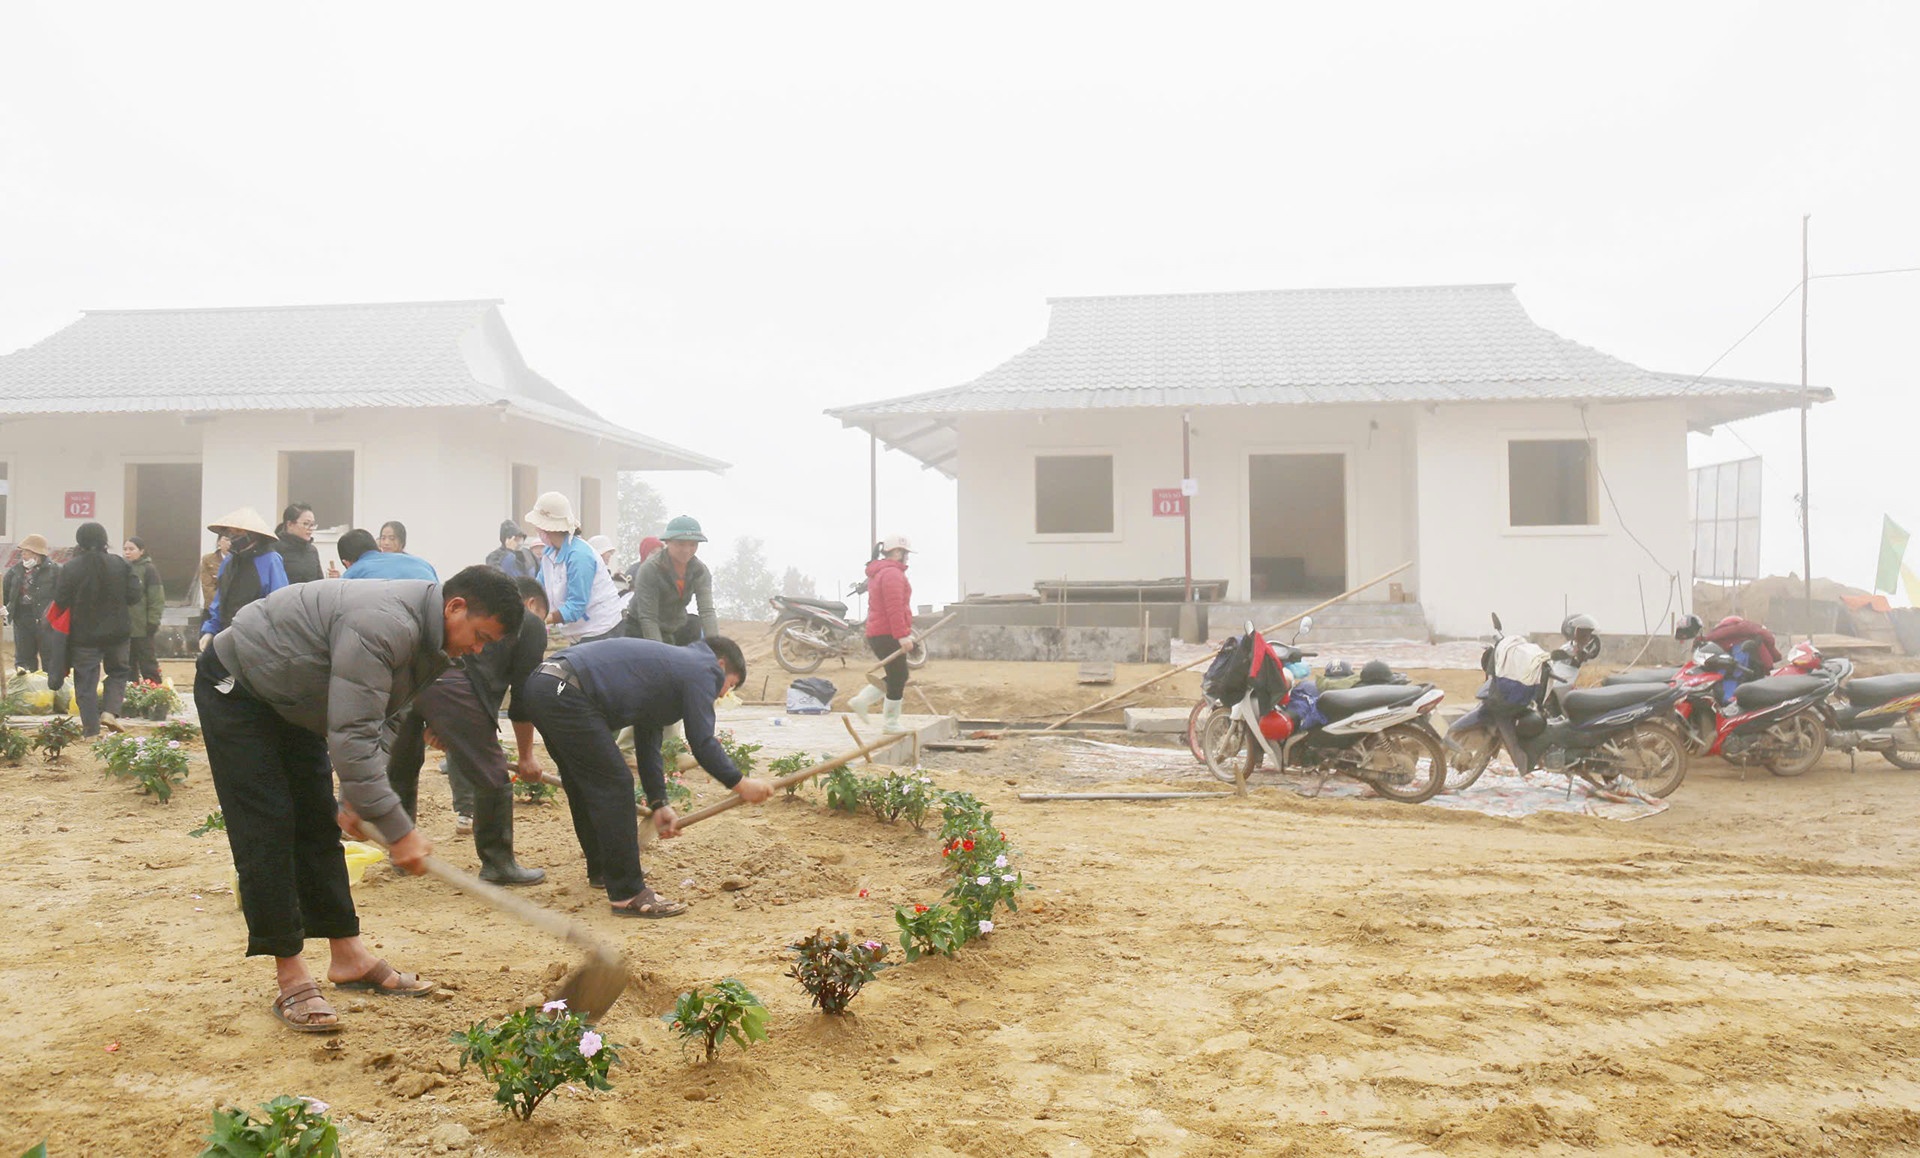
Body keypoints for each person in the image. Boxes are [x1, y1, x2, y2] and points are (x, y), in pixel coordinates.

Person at [195, 565, 523, 1033]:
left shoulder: (434, 643)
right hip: (239, 686)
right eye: (480, 636)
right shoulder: (384, 624)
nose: (478, 649)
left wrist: (358, 798)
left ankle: (347, 956)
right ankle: (290, 973)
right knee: (267, 826)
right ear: (455, 607)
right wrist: (399, 831)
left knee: (317, 824)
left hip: (299, 699)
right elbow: (350, 739)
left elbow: (384, 718)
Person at [523, 634, 772, 917]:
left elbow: (648, 739)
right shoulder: (703, 668)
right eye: (731, 684)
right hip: (565, 690)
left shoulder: (668, 669)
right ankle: (628, 893)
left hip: (544, 686)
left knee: (585, 783)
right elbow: (702, 742)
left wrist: (658, 803)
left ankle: (605, 869)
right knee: (615, 782)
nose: (724, 694)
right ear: (721, 663)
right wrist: (741, 784)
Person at [386, 576, 551, 885]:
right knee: (492, 771)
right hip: (456, 681)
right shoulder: (530, 624)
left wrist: (439, 722)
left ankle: (399, 849)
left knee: (402, 763)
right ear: (529, 604)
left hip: (410, 675)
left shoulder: (466, 607)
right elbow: (523, 697)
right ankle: (498, 863)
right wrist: (527, 757)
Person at [54, 522, 143, 736]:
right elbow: (134, 596)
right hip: (118, 632)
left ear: (80, 542)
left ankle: (90, 730)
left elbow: (61, 600)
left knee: (85, 682)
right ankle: (110, 712)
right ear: (105, 541)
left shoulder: (71, 567)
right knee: (119, 671)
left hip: (83, 636)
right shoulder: (120, 564)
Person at [524, 492, 623, 643]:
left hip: (600, 631)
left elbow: (576, 606)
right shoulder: (549, 554)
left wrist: (544, 619)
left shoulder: (579, 556)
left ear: (548, 528)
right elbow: (538, 589)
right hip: (577, 632)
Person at [848, 535, 916, 732]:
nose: (907, 558)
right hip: (887, 633)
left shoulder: (881, 573)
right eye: (905, 554)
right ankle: (891, 723)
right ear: (897, 552)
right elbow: (894, 608)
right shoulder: (892, 574)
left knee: (897, 675)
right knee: (899, 676)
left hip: (880, 633)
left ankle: (862, 700)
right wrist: (902, 635)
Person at [200, 508, 289, 651]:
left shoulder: (270, 560)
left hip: (258, 639)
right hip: (227, 634)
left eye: (238, 532)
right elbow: (219, 601)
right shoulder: (228, 562)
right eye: (231, 532)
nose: (233, 537)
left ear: (253, 534)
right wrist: (210, 630)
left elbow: (280, 603)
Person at [622, 515, 718, 644]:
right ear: (667, 542)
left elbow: (706, 612)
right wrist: (660, 653)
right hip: (641, 628)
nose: (686, 550)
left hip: (676, 626)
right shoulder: (650, 570)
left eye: (693, 545)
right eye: (680, 544)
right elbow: (648, 617)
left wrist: (716, 649)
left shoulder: (699, 571)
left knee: (694, 625)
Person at [3, 534, 59, 674]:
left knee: (50, 658)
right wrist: (4, 609)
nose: (24, 555)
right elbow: (6, 592)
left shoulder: (55, 571)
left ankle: (51, 689)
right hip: (22, 619)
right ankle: (27, 690)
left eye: (27, 552)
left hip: (46, 621)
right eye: (22, 552)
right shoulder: (15, 571)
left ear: (38, 554)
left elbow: (62, 595)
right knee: (24, 659)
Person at [123, 537, 167, 684]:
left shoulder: (149, 570)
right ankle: (131, 695)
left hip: (143, 627)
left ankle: (154, 693)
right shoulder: (123, 568)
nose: (127, 552)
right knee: (127, 665)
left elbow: (156, 598)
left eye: (131, 549)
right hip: (126, 626)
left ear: (141, 551)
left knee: (148, 664)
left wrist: (153, 621)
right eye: (125, 549)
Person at [338, 528, 438, 581]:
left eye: (392, 538)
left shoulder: (353, 574)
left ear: (347, 563)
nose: (387, 542)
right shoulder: (422, 564)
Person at [276, 503, 326, 584]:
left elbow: (319, 583)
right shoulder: (274, 549)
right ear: (290, 524)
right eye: (306, 524)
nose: (310, 529)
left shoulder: (312, 551)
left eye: (312, 525)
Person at [198, 532, 230, 613]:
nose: (229, 543)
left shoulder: (241, 560)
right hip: (213, 607)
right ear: (219, 541)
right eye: (226, 539)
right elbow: (207, 586)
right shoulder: (208, 560)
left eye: (232, 540)